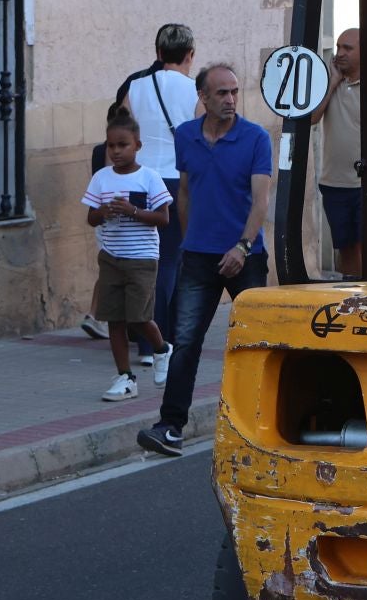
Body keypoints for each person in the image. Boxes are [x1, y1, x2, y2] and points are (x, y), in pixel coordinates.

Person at [136, 63, 271, 458]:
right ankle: (170, 427)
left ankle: (260, 426)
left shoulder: (255, 138)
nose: (231, 99)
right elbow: (185, 193)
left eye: (235, 91)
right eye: (222, 93)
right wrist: (189, 241)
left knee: (253, 344)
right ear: (204, 98)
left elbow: (261, 200)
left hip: (245, 257)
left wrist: (242, 247)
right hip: (198, 256)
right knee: (186, 343)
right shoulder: (186, 137)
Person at [113, 23, 197, 368]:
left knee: (142, 260)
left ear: (158, 53)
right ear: (190, 55)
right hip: (176, 183)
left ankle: (147, 341)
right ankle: (159, 342)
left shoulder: (135, 87)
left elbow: (120, 131)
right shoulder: (196, 91)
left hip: (138, 180)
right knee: (171, 262)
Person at [83, 109, 172, 402]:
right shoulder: (101, 179)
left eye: (123, 145)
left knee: (138, 317)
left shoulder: (150, 178)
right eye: (111, 146)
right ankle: (125, 376)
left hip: (142, 259)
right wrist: (103, 212)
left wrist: (133, 211)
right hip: (110, 257)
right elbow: (91, 218)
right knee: (114, 319)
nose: (116, 151)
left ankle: (162, 349)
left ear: (138, 146)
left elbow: (163, 218)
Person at [314, 28, 363, 277]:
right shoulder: (329, 83)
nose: (340, 53)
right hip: (334, 182)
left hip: (364, 184)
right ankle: (353, 294)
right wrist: (333, 83)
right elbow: (311, 117)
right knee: (345, 247)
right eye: (338, 47)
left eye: (348, 48)